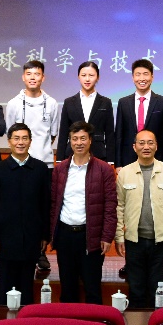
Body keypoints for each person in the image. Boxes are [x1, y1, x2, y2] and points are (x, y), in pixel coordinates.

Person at [48, 121, 118, 304]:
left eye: (83, 138)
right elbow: (54, 204)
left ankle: (94, 322)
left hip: (90, 236)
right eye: (75, 139)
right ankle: (68, 322)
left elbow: (111, 205)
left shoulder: (104, 169)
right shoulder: (60, 169)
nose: (79, 143)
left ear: (90, 140)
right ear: (70, 141)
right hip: (65, 235)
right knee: (67, 288)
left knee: (92, 288)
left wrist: (107, 236)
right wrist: (52, 234)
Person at [0, 122, 52, 305]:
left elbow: (45, 204)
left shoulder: (40, 169)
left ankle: (26, 321)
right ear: (9, 141)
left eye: (24, 138)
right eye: (16, 138)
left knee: (27, 288)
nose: (20, 142)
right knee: (4, 289)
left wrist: (44, 235)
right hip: (4, 240)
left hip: (31, 238)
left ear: (30, 141)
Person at [115, 128, 163, 308]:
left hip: (160, 242)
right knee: (136, 290)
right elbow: (119, 207)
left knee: (158, 290)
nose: (146, 147)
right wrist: (119, 236)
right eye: (142, 143)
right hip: (134, 241)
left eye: (150, 143)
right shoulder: (125, 173)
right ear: (134, 147)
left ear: (156, 146)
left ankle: (158, 324)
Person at [116, 58, 163, 166]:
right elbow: (119, 135)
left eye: (145, 74)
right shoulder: (123, 103)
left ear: (152, 77)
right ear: (133, 78)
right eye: (138, 74)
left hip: (156, 159)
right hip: (128, 160)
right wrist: (118, 164)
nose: (142, 78)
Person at [4, 60, 63, 165]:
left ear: (43, 78)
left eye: (37, 74)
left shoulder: (52, 103)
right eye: (29, 74)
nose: (32, 78)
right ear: (23, 77)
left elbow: (53, 134)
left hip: (45, 162)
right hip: (19, 162)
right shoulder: (13, 103)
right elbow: (10, 133)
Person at [58, 61, 116, 164]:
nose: (87, 79)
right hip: (73, 154)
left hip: (98, 153)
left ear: (97, 77)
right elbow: (63, 133)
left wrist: (111, 160)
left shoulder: (106, 102)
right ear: (78, 77)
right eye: (84, 75)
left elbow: (110, 134)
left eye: (91, 75)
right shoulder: (69, 102)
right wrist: (59, 159)